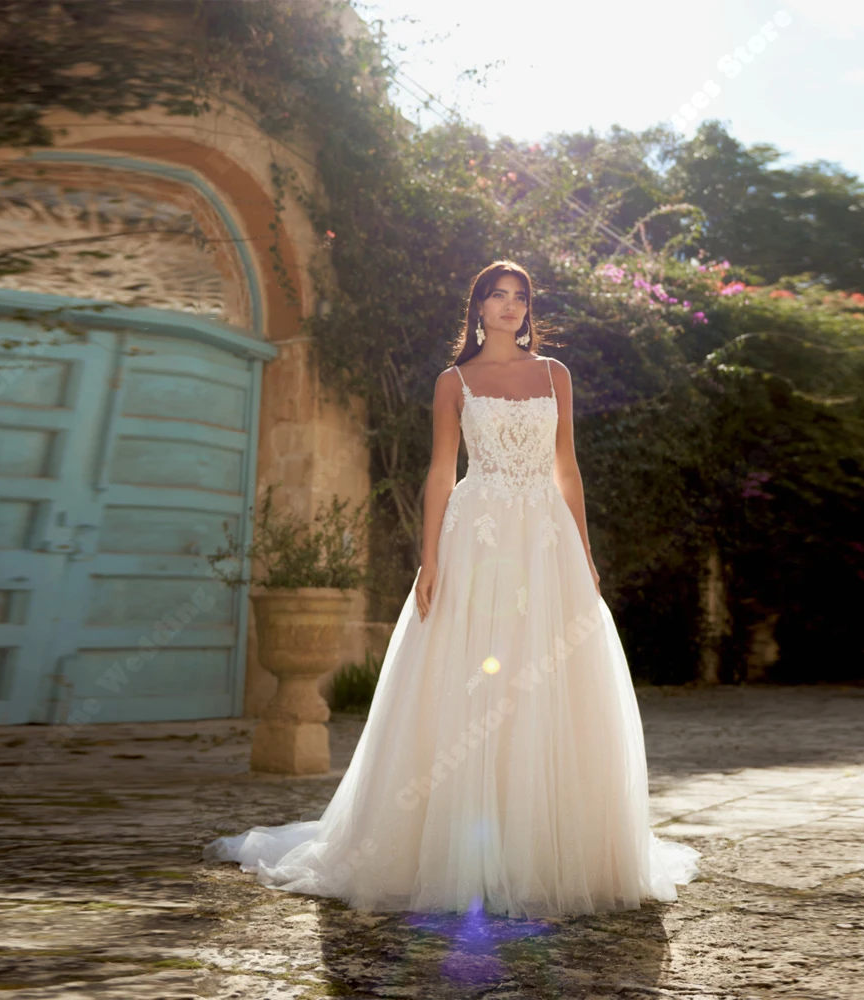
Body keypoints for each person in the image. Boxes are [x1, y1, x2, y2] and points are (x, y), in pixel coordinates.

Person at [203, 259, 701, 917]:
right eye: (497, 295)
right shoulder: (454, 381)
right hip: (480, 534)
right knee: (469, 675)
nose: (509, 306)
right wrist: (429, 559)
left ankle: (545, 849)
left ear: (528, 309)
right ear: (477, 307)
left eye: (519, 297)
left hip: (544, 541)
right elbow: (441, 472)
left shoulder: (556, 374)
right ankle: (457, 846)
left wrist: (583, 551)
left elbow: (568, 468)